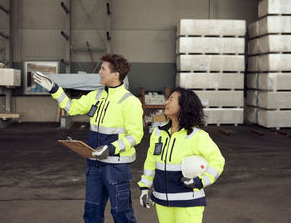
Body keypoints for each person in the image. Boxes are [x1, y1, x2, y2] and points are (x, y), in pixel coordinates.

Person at [34, 54, 143, 223]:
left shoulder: (130, 102)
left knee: (121, 214)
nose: (99, 72)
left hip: (116, 167)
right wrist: (54, 89)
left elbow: (135, 135)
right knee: (91, 213)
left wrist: (111, 148)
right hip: (94, 165)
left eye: (103, 69)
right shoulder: (96, 95)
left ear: (116, 74)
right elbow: (71, 107)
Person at [138, 87, 225, 223]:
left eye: (171, 99)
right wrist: (144, 187)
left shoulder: (197, 136)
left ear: (183, 105)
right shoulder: (158, 133)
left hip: (188, 203)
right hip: (162, 201)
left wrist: (201, 181)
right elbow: (151, 162)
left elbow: (217, 161)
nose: (166, 103)